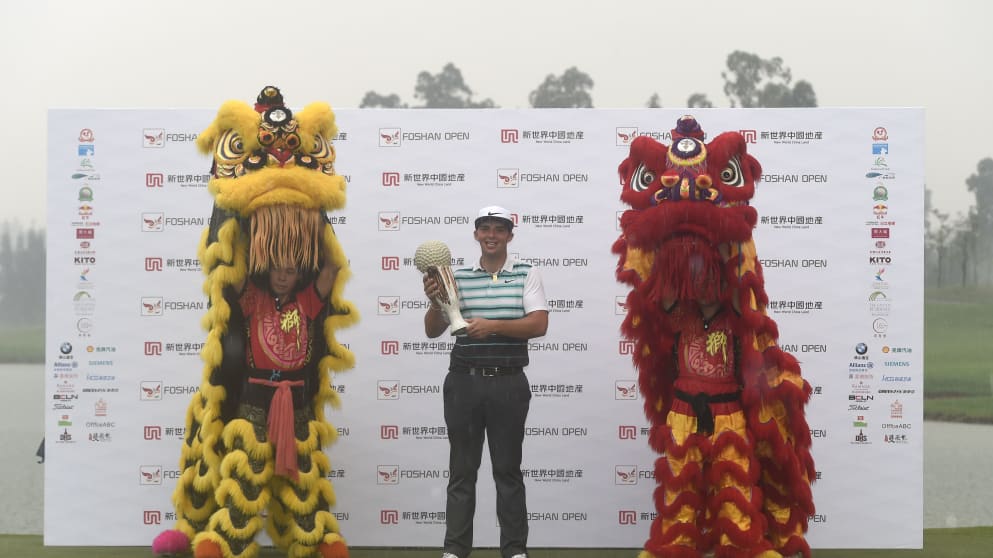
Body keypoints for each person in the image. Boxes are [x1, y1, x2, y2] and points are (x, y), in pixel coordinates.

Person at [423, 205, 549, 558]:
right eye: (485, 229)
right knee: (462, 471)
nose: (491, 235)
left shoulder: (526, 273)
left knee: (507, 471)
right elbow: (432, 331)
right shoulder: (458, 277)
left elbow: (539, 324)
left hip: (508, 384)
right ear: (476, 234)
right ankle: (454, 550)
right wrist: (435, 301)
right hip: (464, 383)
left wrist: (493, 326)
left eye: (499, 229)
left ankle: (514, 550)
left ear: (510, 235)